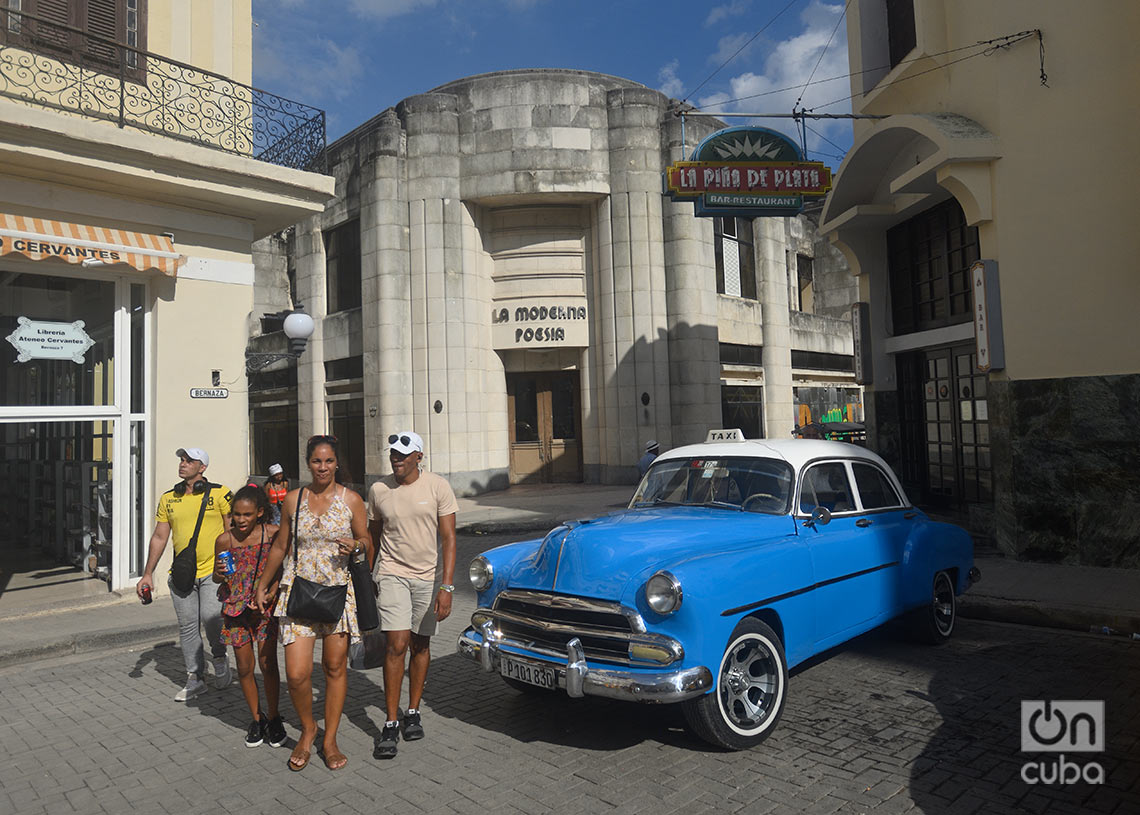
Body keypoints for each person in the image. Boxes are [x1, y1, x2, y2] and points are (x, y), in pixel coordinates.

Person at [252, 435, 371, 772]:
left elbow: (368, 543)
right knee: (298, 673)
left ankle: (330, 738)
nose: (323, 467)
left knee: (334, 668)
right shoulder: (293, 499)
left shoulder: (352, 500)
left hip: (337, 592)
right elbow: (279, 546)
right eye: (317, 461)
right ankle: (308, 729)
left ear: (337, 463)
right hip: (298, 591)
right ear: (308, 464)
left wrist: (357, 545)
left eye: (329, 461)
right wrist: (263, 585)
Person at [367, 430, 458, 759]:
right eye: (393, 453)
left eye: (403, 454)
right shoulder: (379, 489)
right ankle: (391, 720)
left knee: (421, 644)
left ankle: (413, 710)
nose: (396, 458)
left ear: (419, 456)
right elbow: (374, 536)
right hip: (392, 574)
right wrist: (367, 574)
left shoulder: (437, 486)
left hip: (428, 578)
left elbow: (448, 539)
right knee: (397, 644)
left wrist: (447, 587)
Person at [137, 447, 234, 701]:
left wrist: (233, 569)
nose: (183, 463)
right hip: (182, 575)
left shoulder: (220, 494)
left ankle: (220, 655)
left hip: (214, 573)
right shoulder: (169, 498)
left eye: (189, 460)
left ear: (202, 468)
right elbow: (159, 537)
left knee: (212, 618)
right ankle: (195, 677)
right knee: (188, 626)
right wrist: (147, 574)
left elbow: (231, 532)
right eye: (181, 459)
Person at [213, 485, 286, 749]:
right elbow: (217, 576)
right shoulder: (225, 540)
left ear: (260, 513)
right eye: (236, 515)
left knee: (268, 665)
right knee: (244, 667)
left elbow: (283, 567)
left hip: (265, 608)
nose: (241, 520)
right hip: (235, 609)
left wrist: (274, 588)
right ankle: (257, 718)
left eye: (247, 514)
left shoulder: (273, 534)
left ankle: (275, 716)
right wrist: (220, 572)